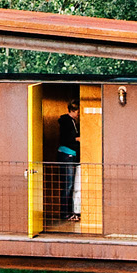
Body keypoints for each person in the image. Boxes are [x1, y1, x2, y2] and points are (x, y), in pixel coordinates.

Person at [41, 91, 81, 223]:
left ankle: (68, 212)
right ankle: (65, 213)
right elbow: (67, 138)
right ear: (73, 110)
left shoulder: (71, 122)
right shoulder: (67, 121)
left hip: (70, 154)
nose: (78, 114)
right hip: (67, 154)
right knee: (68, 185)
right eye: (77, 111)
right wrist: (77, 139)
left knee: (69, 185)